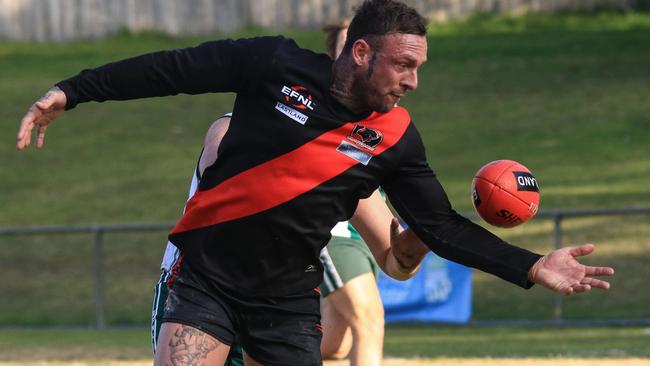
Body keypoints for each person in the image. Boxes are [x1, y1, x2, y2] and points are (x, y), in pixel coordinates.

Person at [17, 1, 614, 364]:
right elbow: (171, 68)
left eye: (419, 68)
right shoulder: (273, 65)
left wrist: (532, 266)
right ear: (360, 52)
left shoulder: (397, 137)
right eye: (403, 64)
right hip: (206, 282)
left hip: (286, 305)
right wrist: (74, 89)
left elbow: (439, 227)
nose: (413, 81)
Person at [151, 113, 426, 364]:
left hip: (277, 301)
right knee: (367, 320)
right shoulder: (232, 129)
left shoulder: (345, 153)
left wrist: (410, 252)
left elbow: (394, 260)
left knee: (341, 344)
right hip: (206, 291)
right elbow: (233, 213)